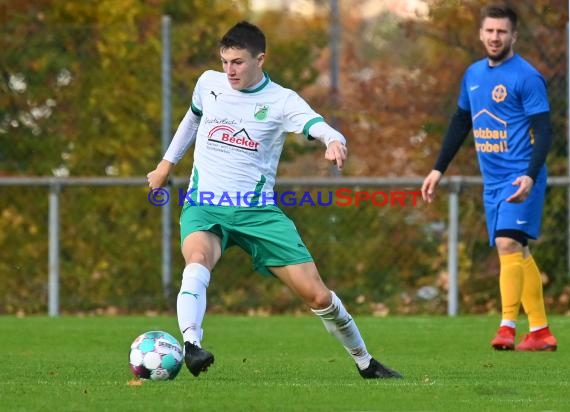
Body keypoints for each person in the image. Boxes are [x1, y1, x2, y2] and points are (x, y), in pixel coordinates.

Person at [147, 21, 402, 378]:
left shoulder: (281, 101)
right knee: (198, 260)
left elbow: (317, 124)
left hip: (258, 214)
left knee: (319, 297)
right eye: (224, 61)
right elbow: (192, 119)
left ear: (260, 59)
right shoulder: (209, 84)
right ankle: (191, 345)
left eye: (237, 62)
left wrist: (333, 141)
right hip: (205, 204)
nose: (229, 70)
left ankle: (365, 362)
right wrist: (164, 165)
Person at [421, 5, 557, 351]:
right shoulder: (473, 74)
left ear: (514, 36)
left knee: (507, 244)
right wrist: (439, 168)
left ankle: (507, 326)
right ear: (481, 34)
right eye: (490, 31)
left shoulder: (526, 77)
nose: (495, 37)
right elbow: (460, 121)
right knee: (516, 251)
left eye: (502, 31)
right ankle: (540, 331)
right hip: (492, 181)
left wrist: (529, 176)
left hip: (521, 178)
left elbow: (543, 131)